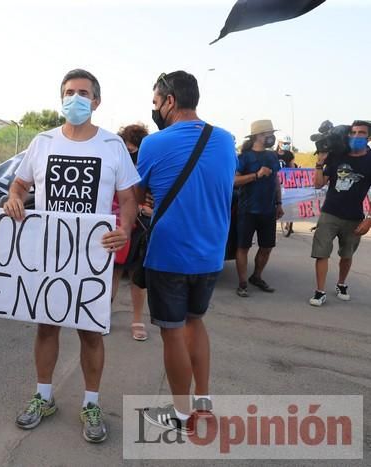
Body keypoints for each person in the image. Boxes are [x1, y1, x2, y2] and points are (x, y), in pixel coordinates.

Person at [3, 69, 138, 443]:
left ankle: (91, 403)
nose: (75, 98)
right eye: (68, 92)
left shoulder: (112, 147)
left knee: (91, 332)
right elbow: (20, 182)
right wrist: (14, 196)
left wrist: (124, 227)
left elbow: (129, 198)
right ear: (60, 98)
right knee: (46, 327)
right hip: (50, 254)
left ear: (96, 101)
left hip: (93, 257)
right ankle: (43, 397)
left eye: (82, 93)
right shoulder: (42, 142)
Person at [136, 71, 236, 433]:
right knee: (196, 322)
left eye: (156, 102)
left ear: (170, 101)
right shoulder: (226, 140)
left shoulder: (153, 144)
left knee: (172, 332)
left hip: (169, 254)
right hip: (210, 255)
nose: (155, 109)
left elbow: (137, 194)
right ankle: (204, 402)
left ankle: (180, 415)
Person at [309, 120, 371, 306]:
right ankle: (320, 291)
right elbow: (319, 183)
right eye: (353, 132)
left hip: (354, 216)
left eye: (361, 133)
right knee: (321, 253)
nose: (356, 136)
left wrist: (369, 219)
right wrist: (320, 163)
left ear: (368, 137)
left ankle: (341, 283)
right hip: (330, 213)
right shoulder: (337, 156)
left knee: (347, 255)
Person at [233, 120, 284, 297]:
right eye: (268, 134)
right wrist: (256, 175)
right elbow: (234, 181)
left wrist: (279, 203)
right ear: (258, 136)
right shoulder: (244, 157)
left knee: (267, 246)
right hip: (247, 210)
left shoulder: (272, 157)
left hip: (268, 210)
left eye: (271, 133)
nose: (271, 137)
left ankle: (257, 276)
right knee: (243, 247)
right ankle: (242, 283)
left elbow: (276, 180)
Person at [113, 123, 151, 341]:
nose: (128, 152)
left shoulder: (148, 164)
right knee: (113, 272)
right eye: (125, 147)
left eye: (133, 149)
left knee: (137, 276)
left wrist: (147, 208)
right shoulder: (114, 160)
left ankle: (137, 320)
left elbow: (156, 193)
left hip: (140, 226)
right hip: (117, 223)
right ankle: (102, 315)